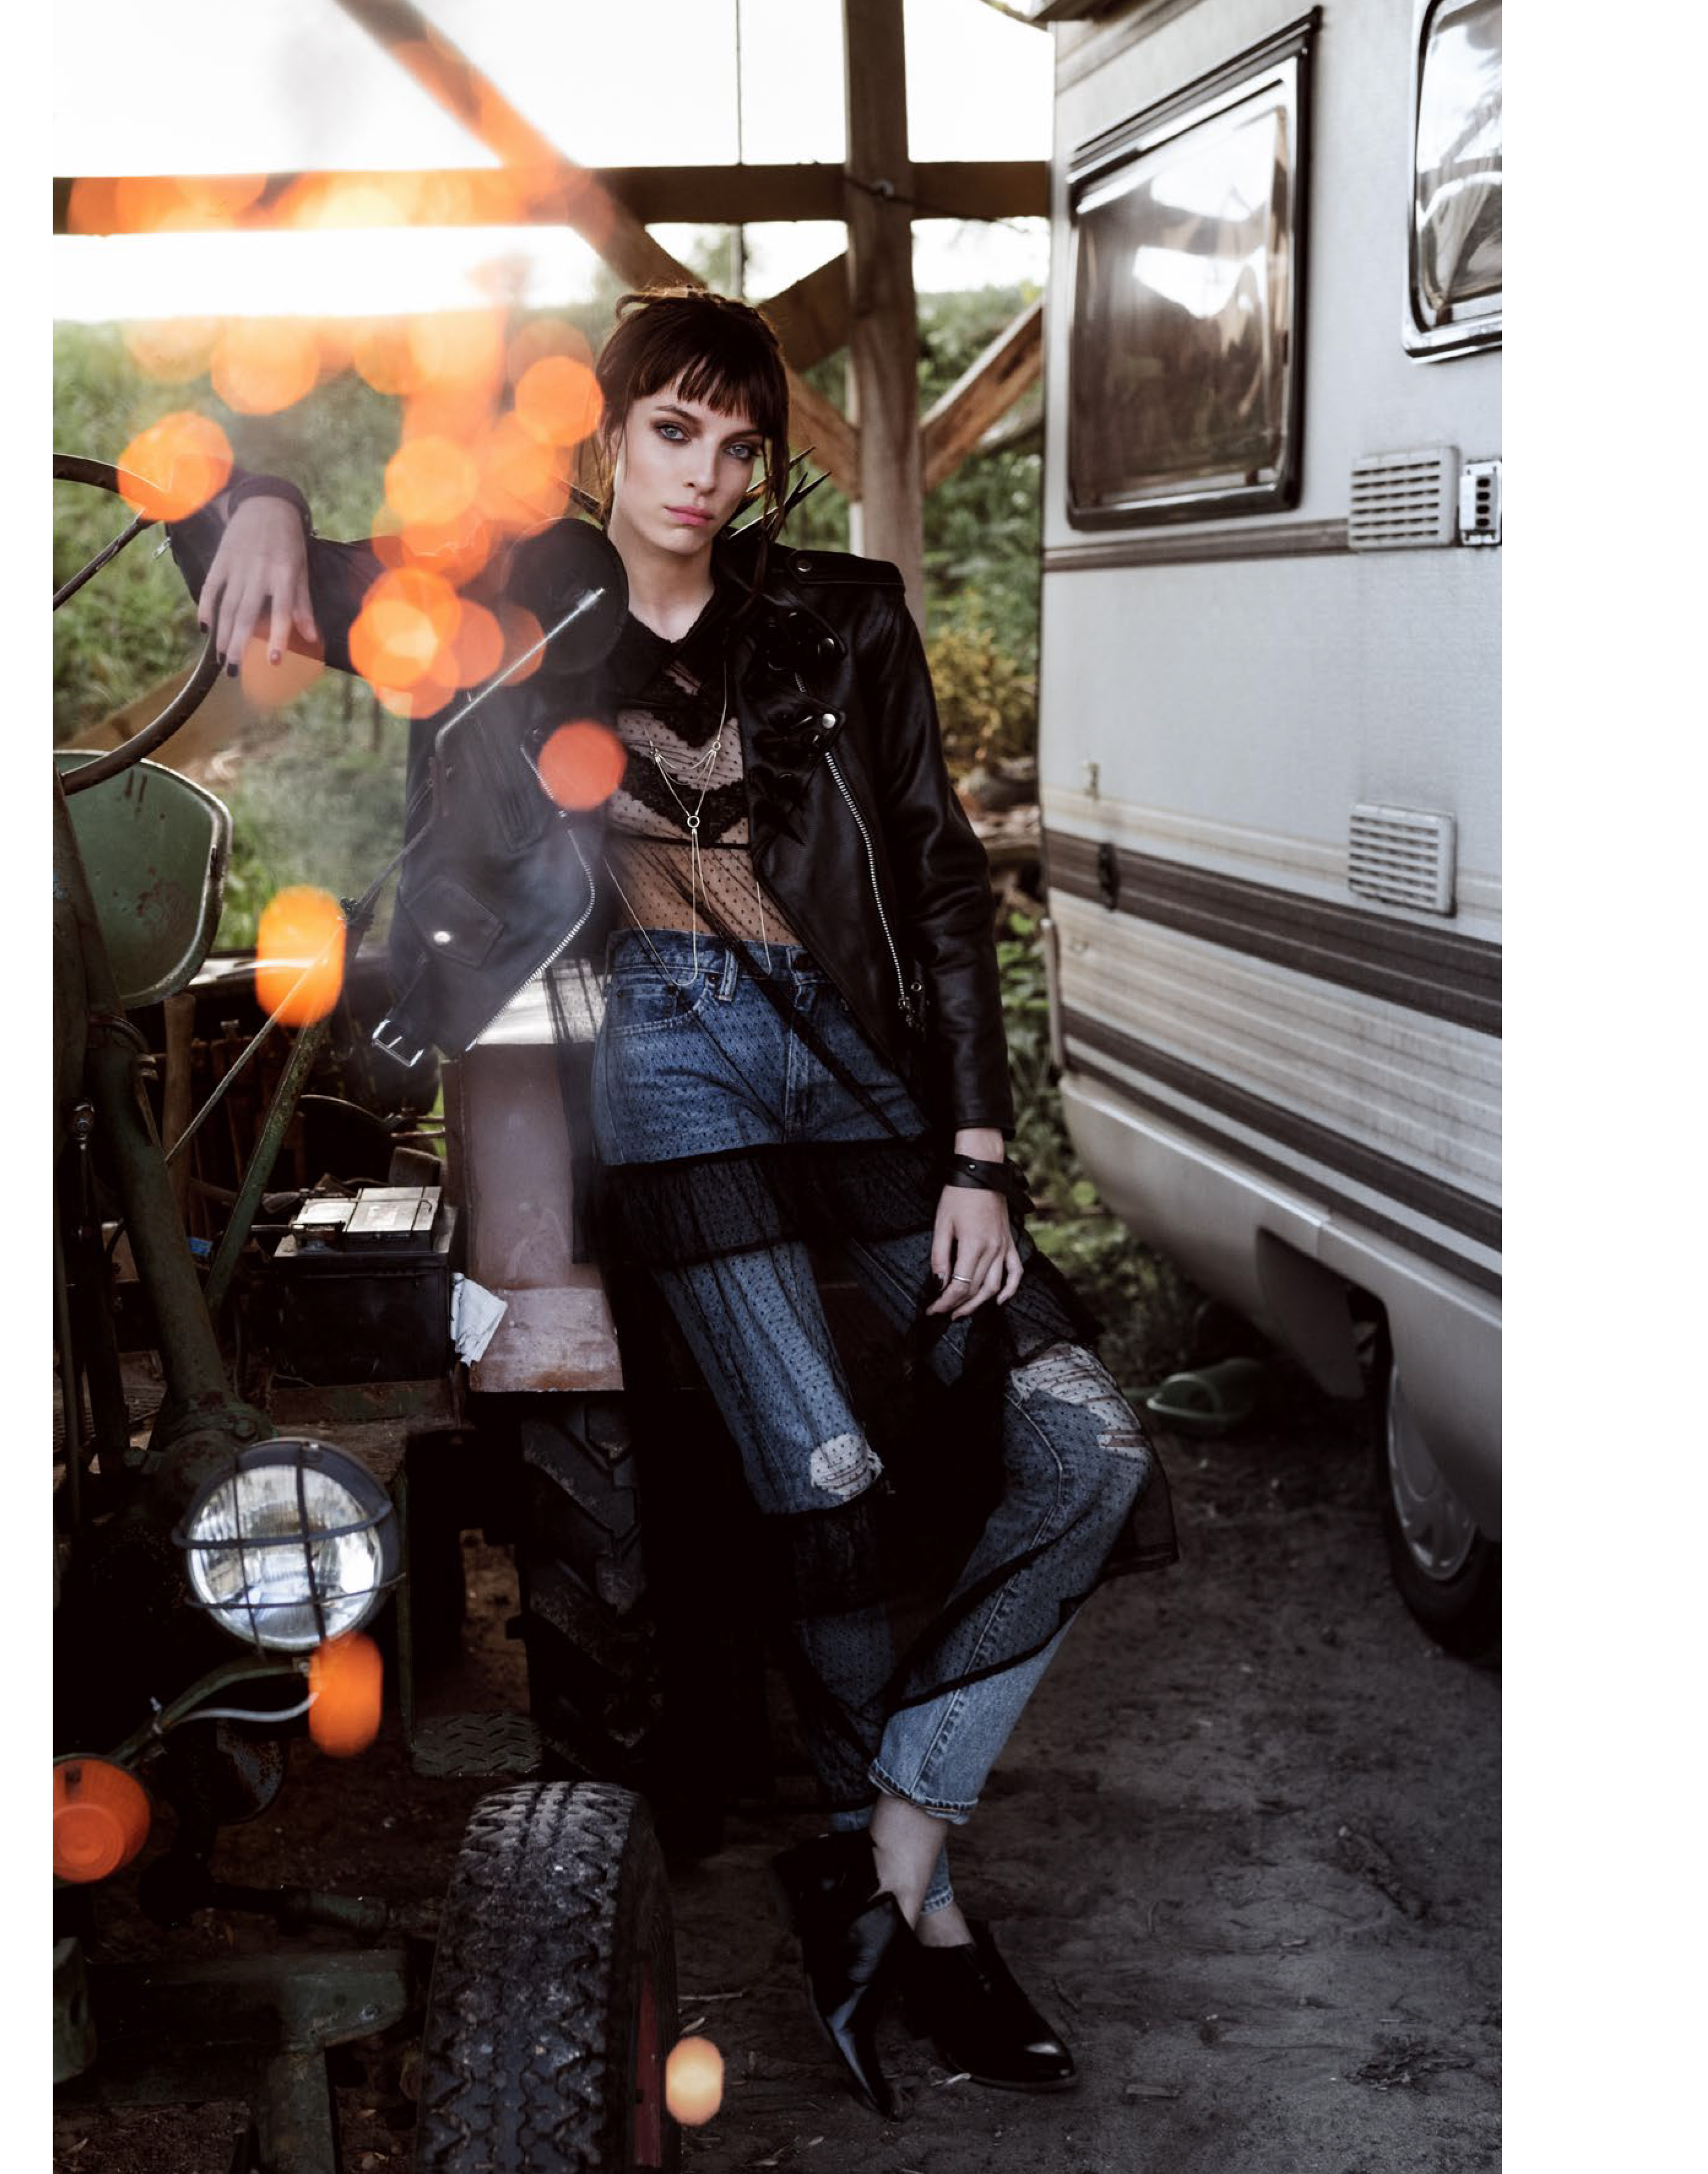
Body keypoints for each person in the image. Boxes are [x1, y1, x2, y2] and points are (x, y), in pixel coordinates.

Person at [179, 286, 1173, 2120]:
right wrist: (257, 485)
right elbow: (274, 570)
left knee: (1090, 1447)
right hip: (668, 1065)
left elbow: (940, 885)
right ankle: (930, 1917)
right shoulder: (510, 602)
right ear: (608, 436)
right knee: (829, 1472)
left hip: (852, 1066)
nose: (705, 475)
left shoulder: (843, 618)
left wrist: (976, 1151)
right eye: (672, 432)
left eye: (739, 445)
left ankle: (887, 1839)